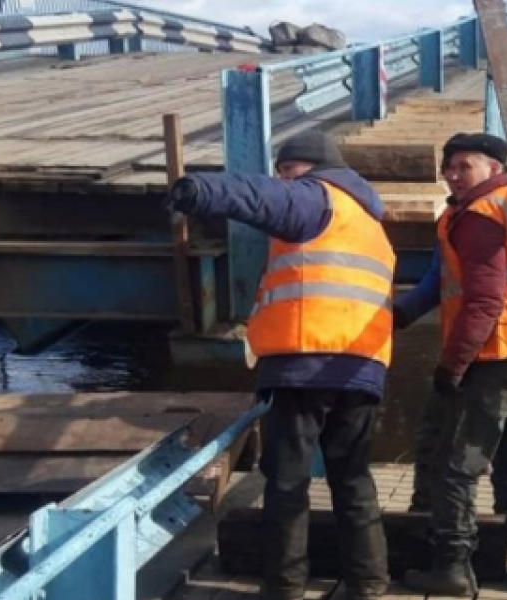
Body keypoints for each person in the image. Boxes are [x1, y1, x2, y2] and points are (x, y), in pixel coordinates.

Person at [167, 130, 393, 600]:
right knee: (352, 479)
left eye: (286, 171)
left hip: (304, 363)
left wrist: (202, 191)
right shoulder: (370, 222)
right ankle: (368, 584)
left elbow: (260, 197)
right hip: (362, 369)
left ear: (306, 168)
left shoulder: (316, 198)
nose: (283, 179)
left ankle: (285, 586)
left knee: (287, 481)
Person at [395, 133, 507, 595]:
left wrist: (451, 366)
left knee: (456, 466)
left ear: (494, 167)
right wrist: (400, 314)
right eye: (449, 165)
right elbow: (441, 280)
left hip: (493, 356)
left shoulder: (480, 217)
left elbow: (484, 301)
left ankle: (452, 571)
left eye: (465, 165)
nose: (452, 173)